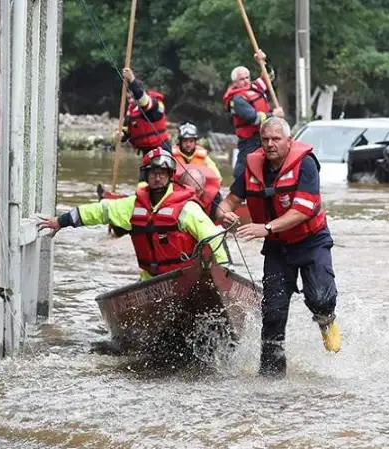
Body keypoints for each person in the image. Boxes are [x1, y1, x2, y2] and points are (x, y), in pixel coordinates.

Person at [215, 117, 340, 377]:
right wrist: (224, 213)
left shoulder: (306, 164)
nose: (270, 144)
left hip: (311, 241)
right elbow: (228, 202)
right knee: (273, 313)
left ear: (288, 141)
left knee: (320, 298)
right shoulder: (253, 167)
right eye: (266, 139)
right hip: (277, 247)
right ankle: (271, 376)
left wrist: (267, 228)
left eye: (276, 139)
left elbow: (303, 211)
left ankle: (327, 321)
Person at [38, 149, 228, 279]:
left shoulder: (187, 208)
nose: (158, 177)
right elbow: (99, 211)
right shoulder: (132, 205)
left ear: (170, 176)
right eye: (153, 173)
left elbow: (214, 237)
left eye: (162, 173)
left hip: (185, 278)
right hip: (150, 281)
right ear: (146, 175)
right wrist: (61, 221)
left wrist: (225, 272)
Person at [222, 50, 285, 182]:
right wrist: (273, 115)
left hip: (265, 136)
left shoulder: (255, 87)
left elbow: (269, 76)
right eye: (242, 79)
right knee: (243, 169)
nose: (246, 81)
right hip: (250, 140)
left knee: (270, 166)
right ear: (235, 83)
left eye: (247, 78)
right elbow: (253, 118)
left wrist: (262, 61)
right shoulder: (237, 100)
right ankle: (239, 190)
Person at [118, 68, 171, 156]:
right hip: (146, 151)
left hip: (161, 148)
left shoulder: (154, 103)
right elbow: (127, 131)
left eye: (132, 97)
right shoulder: (131, 110)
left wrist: (132, 80)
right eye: (128, 98)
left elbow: (143, 101)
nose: (130, 101)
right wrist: (120, 136)